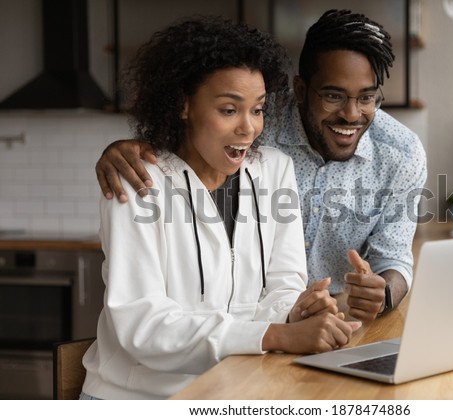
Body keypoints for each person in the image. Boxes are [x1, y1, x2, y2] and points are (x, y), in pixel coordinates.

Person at [81, 15, 360, 400]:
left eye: (258, 109)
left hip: (233, 387)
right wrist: (277, 334)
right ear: (183, 105)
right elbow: (142, 326)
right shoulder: (137, 181)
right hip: (139, 398)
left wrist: (297, 311)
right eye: (229, 110)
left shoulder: (274, 170)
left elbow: (283, 282)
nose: (248, 128)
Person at [95, 10, 427, 323]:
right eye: (333, 96)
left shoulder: (400, 153)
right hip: (257, 330)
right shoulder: (259, 129)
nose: (352, 114)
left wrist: (382, 294)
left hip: (317, 318)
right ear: (300, 90)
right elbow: (191, 136)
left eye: (367, 98)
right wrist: (129, 149)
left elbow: (394, 256)